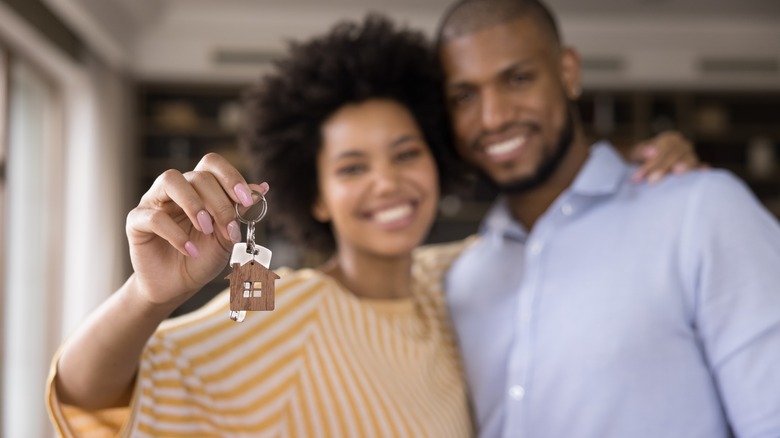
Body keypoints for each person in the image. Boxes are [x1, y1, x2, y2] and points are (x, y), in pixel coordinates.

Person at [45, 13, 696, 438]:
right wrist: (147, 297)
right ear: (318, 195)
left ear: (437, 164)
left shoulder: (455, 277)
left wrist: (646, 166)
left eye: (406, 153)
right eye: (353, 167)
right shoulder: (288, 310)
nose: (388, 183)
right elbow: (92, 399)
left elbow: (565, 228)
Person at [436, 1, 780, 437]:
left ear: (568, 72)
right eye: (465, 96)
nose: (494, 117)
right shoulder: (461, 279)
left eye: (518, 79)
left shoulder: (700, 213)